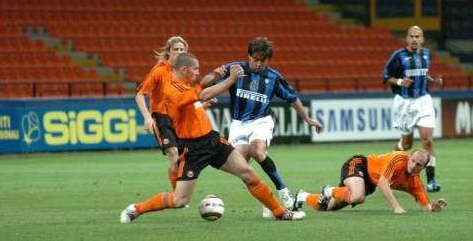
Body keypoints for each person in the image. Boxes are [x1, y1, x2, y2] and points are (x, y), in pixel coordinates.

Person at [120, 52, 306, 223]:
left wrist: (206, 99)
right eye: (195, 69)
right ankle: (136, 209)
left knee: (249, 175)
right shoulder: (171, 89)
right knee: (179, 199)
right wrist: (230, 80)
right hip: (192, 149)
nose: (198, 72)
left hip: (212, 140)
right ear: (184, 69)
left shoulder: (184, 84)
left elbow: (194, 104)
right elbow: (203, 93)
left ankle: (280, 212)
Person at [200, 37, 323, 217]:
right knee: (241, 167)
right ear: (248, 56)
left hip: (261, 121)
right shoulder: (235, 69)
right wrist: (215, 76)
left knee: (258, 151)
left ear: (268, 60)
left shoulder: (273, 76)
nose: (258, 63)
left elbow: (292, 97)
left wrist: (307, 118)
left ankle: (284, 193)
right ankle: (269, 203)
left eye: (262, 60)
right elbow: (204, 83)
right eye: (255, 59)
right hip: (238, 124)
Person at [382, 26, 443, 192]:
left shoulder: (426, 54)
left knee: (427, 139)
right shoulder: (398, 56)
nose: (415, 39)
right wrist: (401, 82)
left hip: (423, 101)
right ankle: (388, 166)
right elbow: (386, 76)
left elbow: (422, 74)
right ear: (407, 39)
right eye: (412, 36)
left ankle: (431, 181)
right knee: (407, 144)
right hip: (404, 104)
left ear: (422, 39)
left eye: (418, 36)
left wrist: (433, 80)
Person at [292, 149, 447, 214]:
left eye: (418, 164)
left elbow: (426, 207)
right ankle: (328, 190)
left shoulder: (416, 183)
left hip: (369, 184)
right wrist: (396, 207)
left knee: (325, 207)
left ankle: (302, 196)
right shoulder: (399, 158)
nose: (413, 165)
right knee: (358, 197)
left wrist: (434, 207)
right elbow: (382, 183)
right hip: (359, 165)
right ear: (409, 157)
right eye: (412, 160)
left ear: (424, 167)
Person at [135, 36, 188, 190]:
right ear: (168, 52)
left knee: (182, 157)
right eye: (176, 49)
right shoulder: (159, 71)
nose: (179, 52)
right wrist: (147, 118)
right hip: (161, 118)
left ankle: (181, 192)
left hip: (179, 118)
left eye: (182, 49)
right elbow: (140, 94)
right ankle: (177, 194)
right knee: (173, 153)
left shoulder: (184, 71)